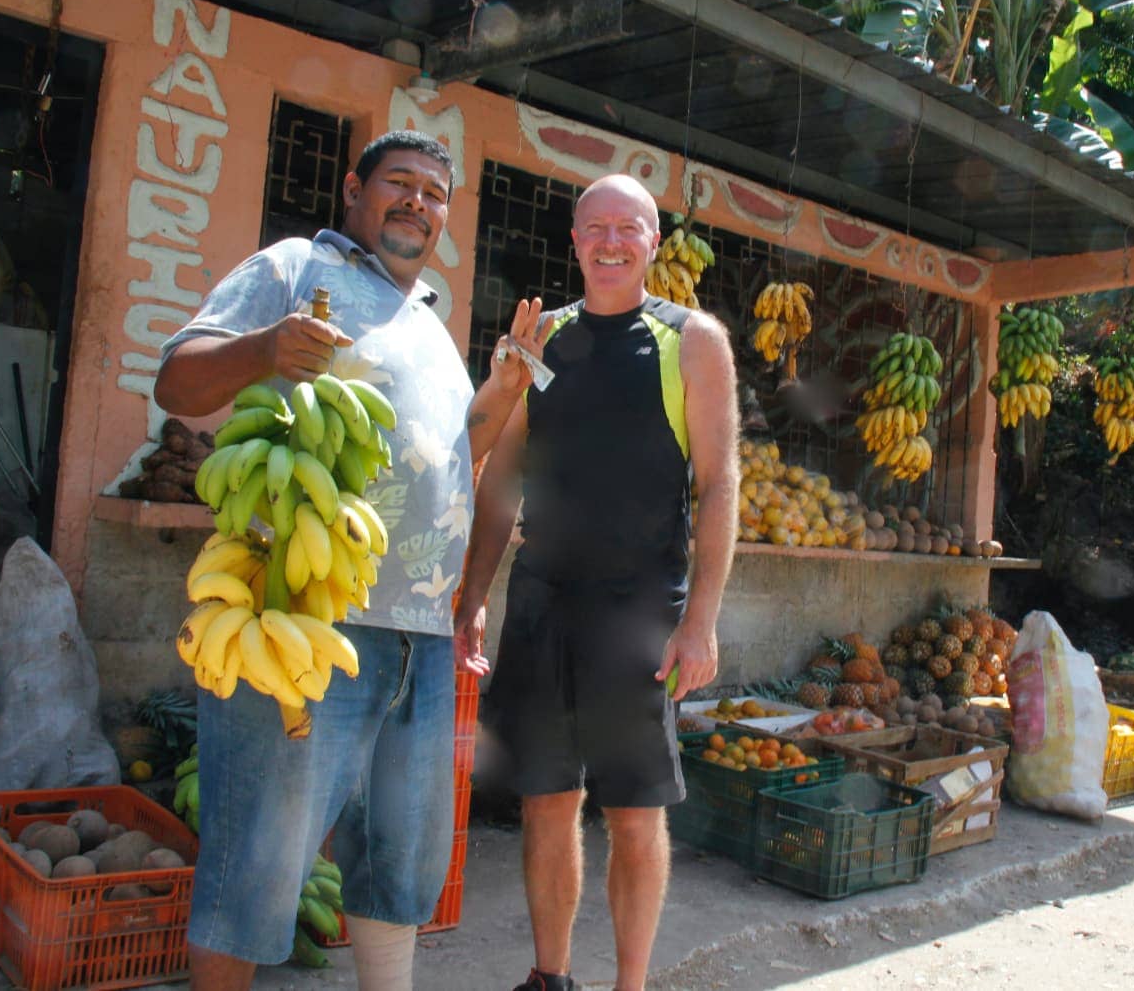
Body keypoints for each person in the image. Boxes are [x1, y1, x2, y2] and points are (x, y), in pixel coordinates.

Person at [155, 129, 548, 991]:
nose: (418, 202)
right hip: (305, 619)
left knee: (399, 864)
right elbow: (177, 381)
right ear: (354, 191)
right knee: (256, 865)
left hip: (422, 637)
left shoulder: (430, 326)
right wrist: (264, 349)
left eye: (435, 193)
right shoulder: (298, 268)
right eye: (399, 183)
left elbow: (454, 456)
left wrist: (505, 388)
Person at [457, 173, 741, 991]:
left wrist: (701, 622)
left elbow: (719, 483)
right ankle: (551, 976)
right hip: (542, 602)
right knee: (546, 799)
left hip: (640, 610)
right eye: (596, 228)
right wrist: (475, 594)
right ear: (575, 240)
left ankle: (630, 983)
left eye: (630, 228)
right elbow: (502, 479)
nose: (611, 242)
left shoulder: (692, 340)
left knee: (633, 808)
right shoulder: (540, 337)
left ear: (654, 243)